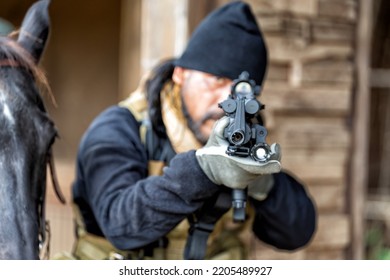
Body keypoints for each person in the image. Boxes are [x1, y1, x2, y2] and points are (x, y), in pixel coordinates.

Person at [62, 1, 316, 260]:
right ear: (181, 74)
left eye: (240, 91)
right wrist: (203, 170)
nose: (225, 101)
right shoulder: (118, 129)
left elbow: (297, 232)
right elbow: (120, 224)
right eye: (216, 80)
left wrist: (262, 182)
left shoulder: (244, 135)